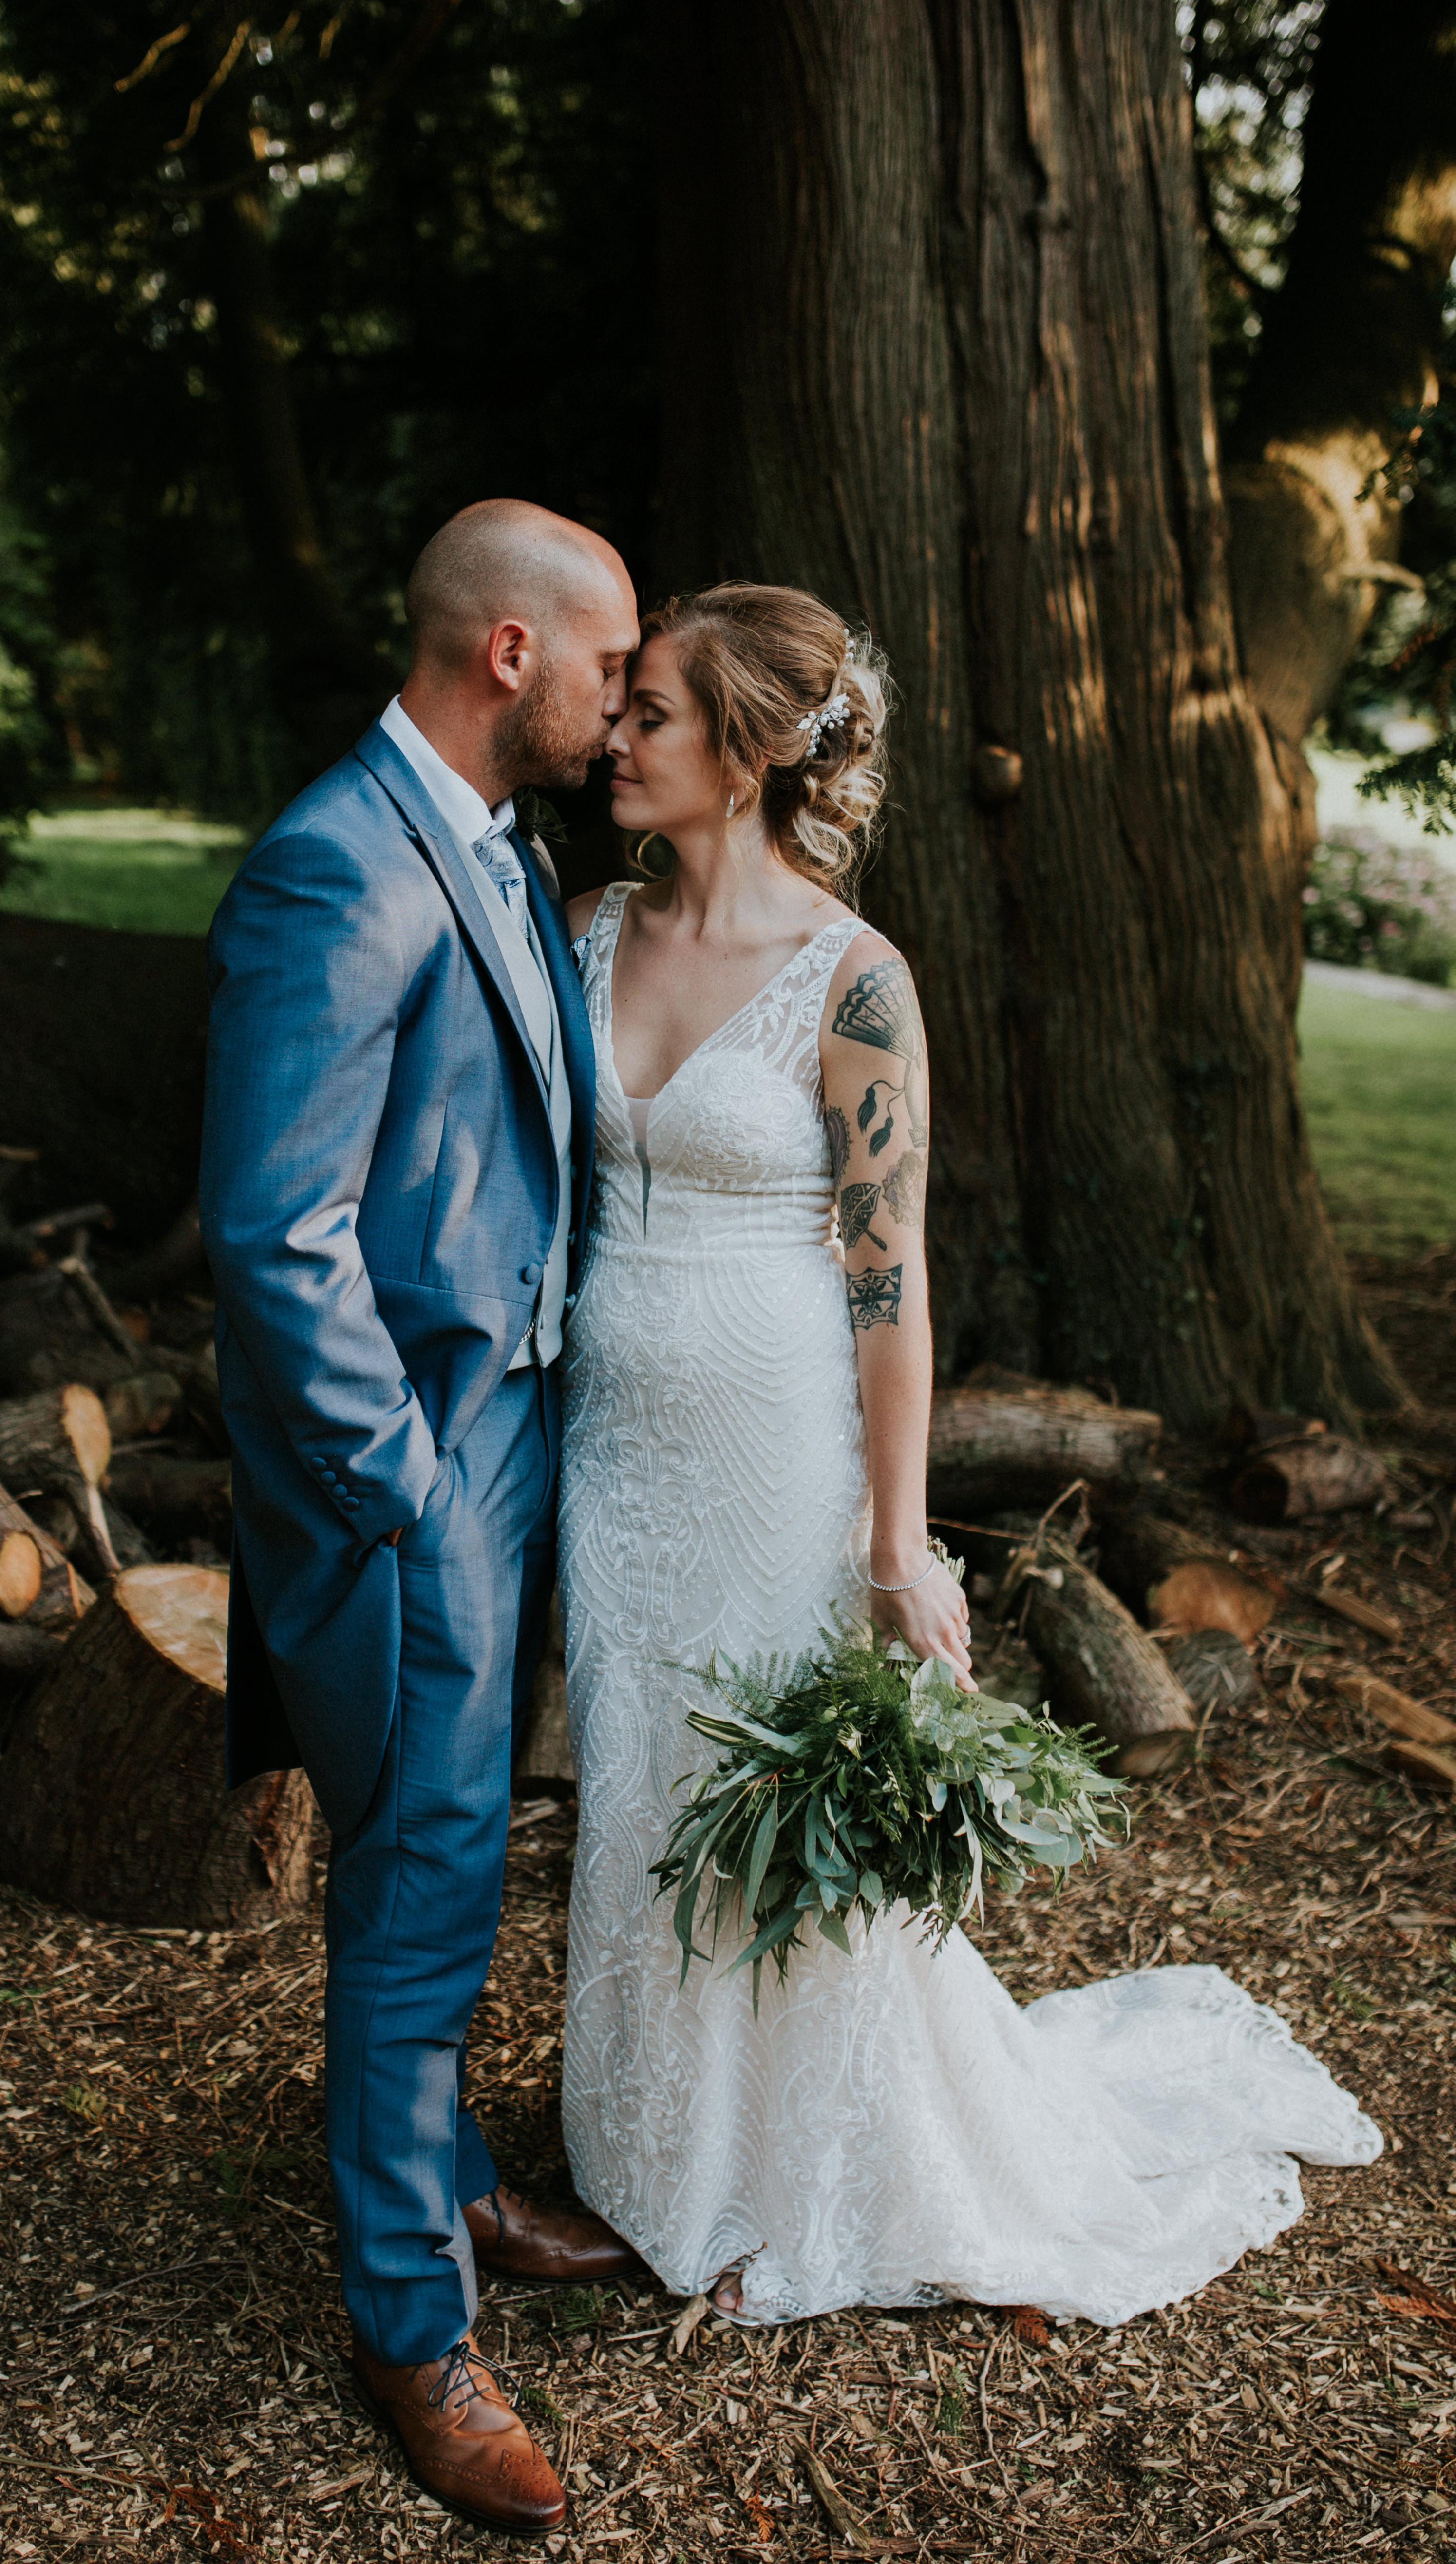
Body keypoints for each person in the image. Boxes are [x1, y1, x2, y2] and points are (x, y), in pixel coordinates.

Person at [557, 580, 1380, 2330]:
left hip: (773, 1446)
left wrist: (892, 1538)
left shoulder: (853, 986)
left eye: (648, 712)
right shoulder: (578, 931)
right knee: (637, 1774)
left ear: (753, 750)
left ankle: (808, 2160)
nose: (610, 735)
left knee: (756, 1784)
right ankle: (643, 2148)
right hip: (606, 1449)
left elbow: (886, 1279)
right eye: (617, 707)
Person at [201, 500, 641, 2537]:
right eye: (611, 652)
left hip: (507, 1436)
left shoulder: (506, 851)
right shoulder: (329, 860)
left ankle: (451, 2167)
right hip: (411, 1479)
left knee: (453, 1865)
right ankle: (408, 2317)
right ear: (507, 656)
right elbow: (275, 1233)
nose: (630, 692)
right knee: (417, 1878)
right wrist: (398, 1489)